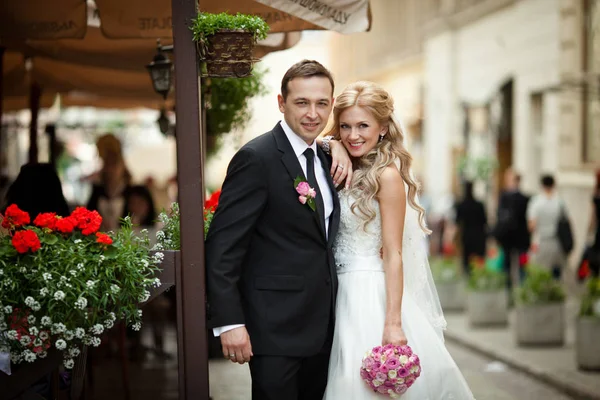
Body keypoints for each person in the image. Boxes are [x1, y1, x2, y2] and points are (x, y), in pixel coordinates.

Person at [205, 60, 353, 400]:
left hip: (324, 327)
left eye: (322, 103)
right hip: (273, 329)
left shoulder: (327, 157)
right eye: (302, 102)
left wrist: (337, 144)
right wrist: (230, 322)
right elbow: (223, 246)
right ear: (281, 103)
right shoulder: (256, 158)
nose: (313, 113)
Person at [321, 82, 473, 399]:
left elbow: (393, 253)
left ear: (383, 128)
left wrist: (392, 322)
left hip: (368, 294)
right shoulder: (339, 161)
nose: (353, 135)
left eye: (363, 125)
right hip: (336, 291)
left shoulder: (387, 176)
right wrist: (332, 145)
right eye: (345, 126)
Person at [495, 169, 530, 290]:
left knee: (519, 265)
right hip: (512, 238)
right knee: (510, 265)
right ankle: (513, 289)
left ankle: (517, 289)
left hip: (515, 238)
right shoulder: (507, 197)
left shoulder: (519, 198)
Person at [527, 175, 567, 279]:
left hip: (541, 241)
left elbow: (532, 226)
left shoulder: (536, 202)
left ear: (541, 185)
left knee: (540, 273)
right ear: (554, 185)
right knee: (556, 273)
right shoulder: (559, 201)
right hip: (557, 242)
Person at [454, 181, 487, 275]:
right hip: (478, 235)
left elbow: (457, 222)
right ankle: (477, 276)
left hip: (466, 236)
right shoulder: (479, 205)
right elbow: (484, 221)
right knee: (478, 259)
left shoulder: (461, 205)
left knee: (466, 260)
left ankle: (469, 276)